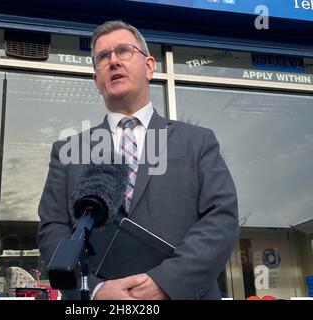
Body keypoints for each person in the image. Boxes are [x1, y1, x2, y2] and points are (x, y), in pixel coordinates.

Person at [37, 20, 239, 300]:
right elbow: (52, 228)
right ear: (96, 79)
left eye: (123, 50)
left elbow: (221, 218)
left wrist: (165, 283)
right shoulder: (68, 151)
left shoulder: (197, 141)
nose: (113, 61)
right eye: (102, 57)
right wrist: (94, 290)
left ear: (149, 66)